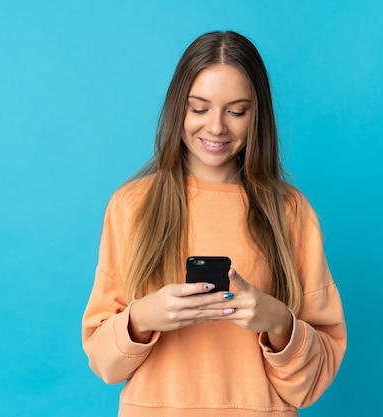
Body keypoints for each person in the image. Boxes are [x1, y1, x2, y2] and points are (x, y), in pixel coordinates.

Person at [82, 30, 347, 417]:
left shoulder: (290, 211)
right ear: (178, 109)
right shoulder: (132, 206)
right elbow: (104, 362)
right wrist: (142, 318)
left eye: (236, 111)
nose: (217, 127)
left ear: (258, 116)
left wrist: (276, 321)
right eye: (199, 108)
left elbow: (314, 378)